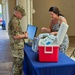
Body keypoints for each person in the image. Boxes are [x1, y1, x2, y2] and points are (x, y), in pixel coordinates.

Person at [8, 5, 28, 75]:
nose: (22, 16)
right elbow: (16, 36)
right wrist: (24, 35)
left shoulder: (14, 19)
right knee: (18, 66)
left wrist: (22, 34)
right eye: (22, 14)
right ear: (18, 13)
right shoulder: (15, 21)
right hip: (17, 47)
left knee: (16, 64)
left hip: (16, 46)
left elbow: (16, 33)